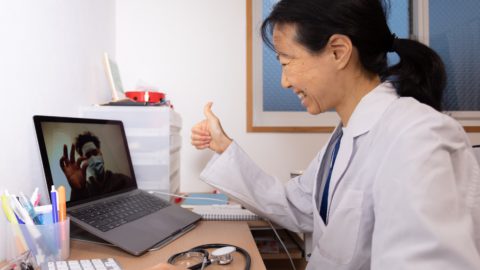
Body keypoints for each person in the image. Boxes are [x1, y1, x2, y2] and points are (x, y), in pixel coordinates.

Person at [187, 0, 480, 269]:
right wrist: (224, 147)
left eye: (287, 63)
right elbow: (297, 206)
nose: (284, 82)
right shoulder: (344, 136)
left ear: (338, 52)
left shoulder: (416, 135)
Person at [59, 131, 134, 201]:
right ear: (83, 161)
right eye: (88, 156)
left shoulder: (122, 180)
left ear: (101, 153)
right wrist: (77, 191)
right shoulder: (84, 190)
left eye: (95, 153)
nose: (93, 159)